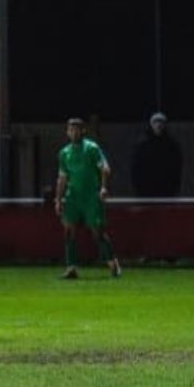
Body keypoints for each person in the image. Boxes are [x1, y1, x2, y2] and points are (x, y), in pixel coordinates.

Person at [54, 117, 122, 279]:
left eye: (77, 129)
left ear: (83, 131)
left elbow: (105, 169)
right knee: (68, 230)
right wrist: (58, 199)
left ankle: (113, 263)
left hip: (91, 196)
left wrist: (103, 187)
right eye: (71, 129)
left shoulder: (92, 148)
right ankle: (71, 268)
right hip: (73, 197)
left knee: (97, 232)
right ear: (67, 132)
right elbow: (62, 178)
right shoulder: (64, 153)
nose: (74, 132)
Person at [130, 111, 183, 198]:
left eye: (161, 122)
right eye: (155, 122)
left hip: (167, 192)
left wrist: (174, 187)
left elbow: (177, 168)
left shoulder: (172, 146)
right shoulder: (142, 145)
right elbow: (136, 168)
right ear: (151, 124)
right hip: (145, 192)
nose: (158, 125)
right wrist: (139, 187)